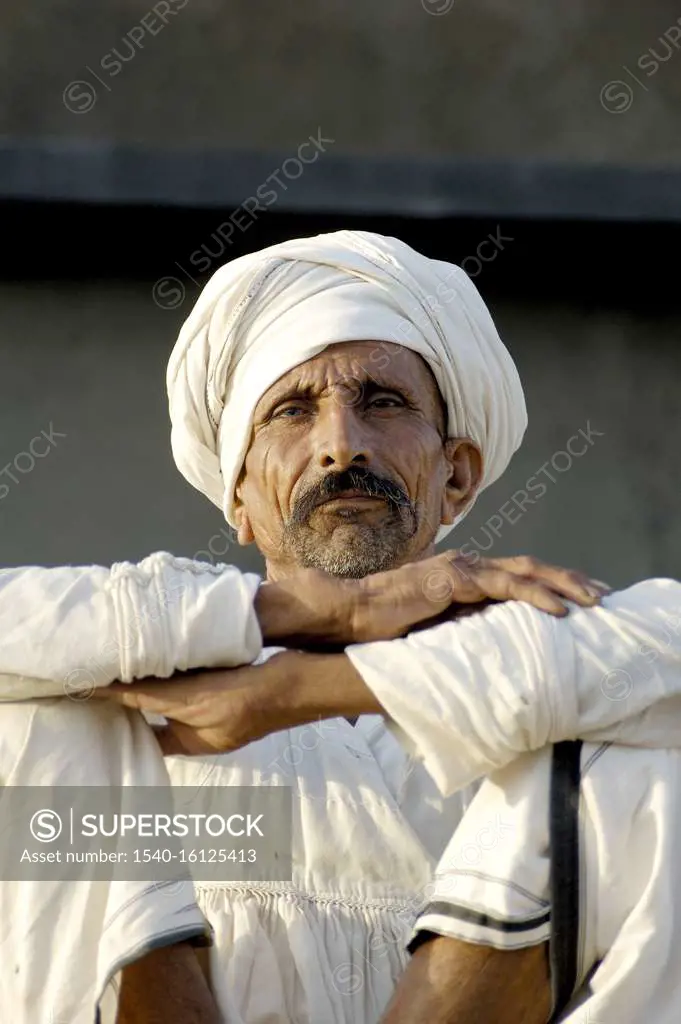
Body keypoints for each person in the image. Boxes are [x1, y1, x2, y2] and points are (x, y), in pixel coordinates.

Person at [1, 229, 679, 1024]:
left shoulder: (546, 675)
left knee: (641, 771)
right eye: (291, 412)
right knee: (47, 721)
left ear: (454, 473)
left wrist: (301, 689)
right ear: (240, 498)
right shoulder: (161, 706)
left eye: (382, 403)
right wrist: (328, 613)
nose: (339, 447)